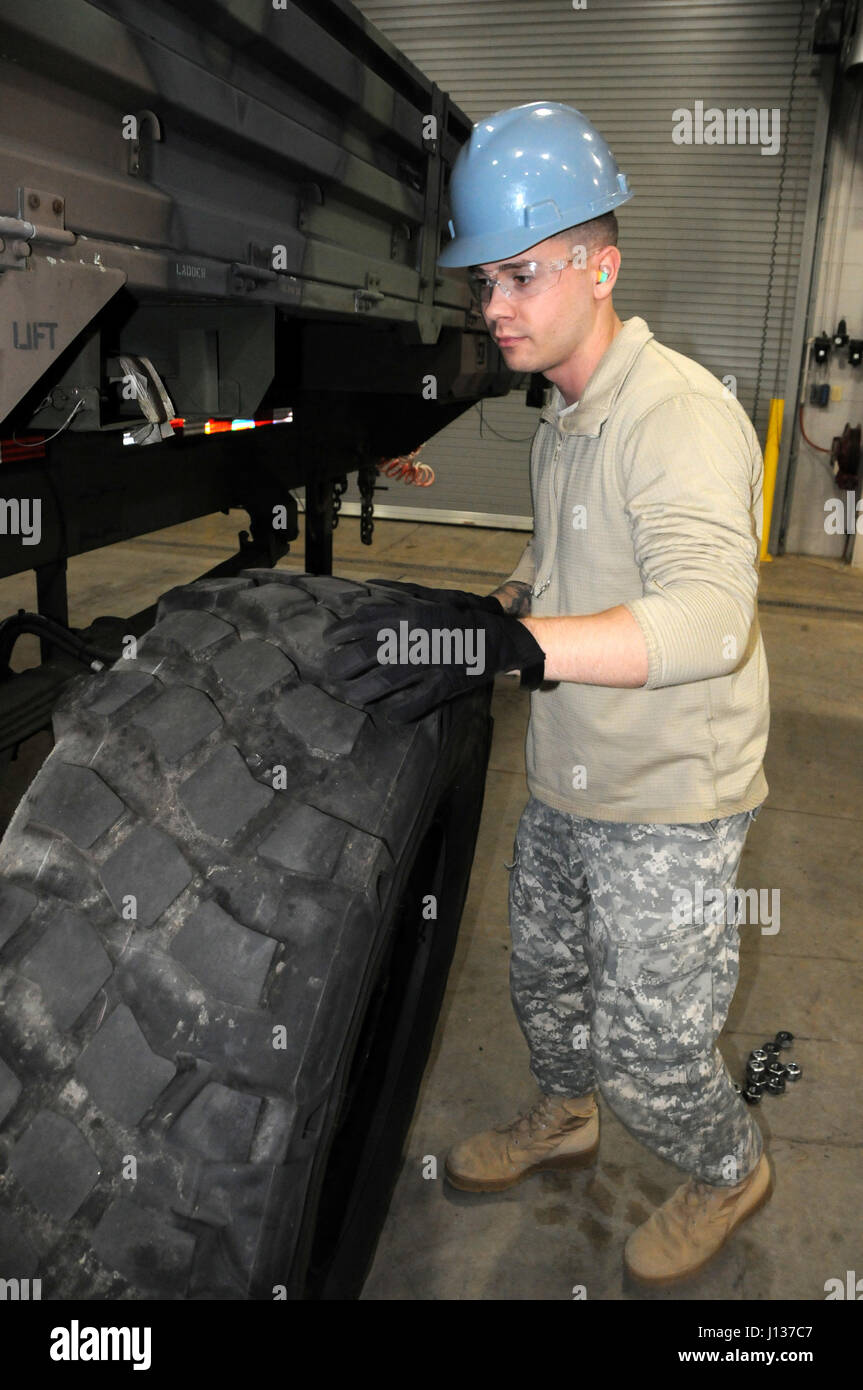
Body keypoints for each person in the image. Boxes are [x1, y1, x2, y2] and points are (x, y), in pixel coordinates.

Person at [323, 100, 772, 1287]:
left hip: (668, 793)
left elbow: (709, 620)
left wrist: (515, 656)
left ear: (599, 266)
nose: (494, 306)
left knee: (654, 1055)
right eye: (485, 280)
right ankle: (562, 1114)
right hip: (570, 767)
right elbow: (558, 570)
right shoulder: (561, 417)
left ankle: (730, 1165)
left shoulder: (675, 415)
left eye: (519, 274)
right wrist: (494, 611)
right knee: (546, 986)